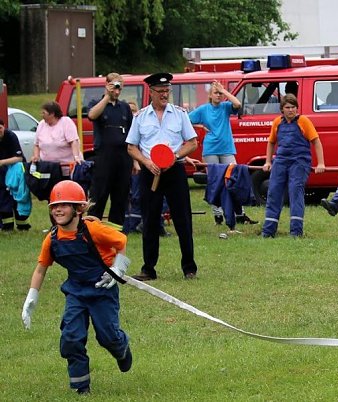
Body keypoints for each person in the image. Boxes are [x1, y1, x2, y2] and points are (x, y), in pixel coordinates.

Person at [20, 180, 133, 395]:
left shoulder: (93, 229)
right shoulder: (52, 239)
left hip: (102, 290)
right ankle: (81, 388)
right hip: (76, 293)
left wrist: (118, 269)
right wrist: (31, 298)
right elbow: (40, 269)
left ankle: (122, 349)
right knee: (71, 338)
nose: (58, 210)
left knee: (108, 337)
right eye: (54, 206)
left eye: (64, 205)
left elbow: (121, 240)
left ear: (79, 208)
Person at [126, 72, 199, 280]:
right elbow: (131, 147)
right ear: (151, 92)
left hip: (174, 170)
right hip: (151, 172)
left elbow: (192, 142)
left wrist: (173, 156)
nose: (165, 95)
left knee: (182, 219)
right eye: (161, 91)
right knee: (149, 219)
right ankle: (148, 268)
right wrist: (147, 162)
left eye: (167, 91)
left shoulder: (179, 114)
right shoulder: (140, 117)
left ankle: (189, 267)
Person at [186, 80, 256, 226]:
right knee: (215, 181)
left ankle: (240, 214)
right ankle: (217, 215)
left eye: (220, 93)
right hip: (211, 149)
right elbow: (185, 120)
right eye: (215, 93)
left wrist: (224, 91)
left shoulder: (225, 107)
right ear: (210, 95)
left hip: (227, 148)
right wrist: (200, 126)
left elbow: (238, 104)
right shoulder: (203, 109)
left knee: (234, 178)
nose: (218, 95)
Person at [261, 94, 326, 238]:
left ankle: (296, 231)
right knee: (273, 192)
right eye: (287, 107)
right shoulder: (277, 122)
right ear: (282, 110)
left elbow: (316, 141)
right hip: (281, 160)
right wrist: (268, 161)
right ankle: (268, 231)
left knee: (295, 191)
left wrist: (321, 163)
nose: (291, 110)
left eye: (293, 107)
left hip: (300, 161)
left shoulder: (304, 121)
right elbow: (271, 142)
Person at [86, 73, 134, 226]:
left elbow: (132, 134)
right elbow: (92, 115)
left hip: (123, 158)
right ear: (106, 85)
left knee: (120, 199)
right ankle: (92, 229)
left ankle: (115, 233)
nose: (117, 91)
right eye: (114, 87)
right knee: (98, 196)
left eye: (120, 87)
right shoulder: (97, 103)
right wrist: (107, 97)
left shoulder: (124, 107)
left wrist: (136, 162)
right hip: (104, 157)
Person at [33, 101, 84, 178]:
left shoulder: (66, 122)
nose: (41, 115)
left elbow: (74, 141)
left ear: (52, 113)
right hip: (48, 169)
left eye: (44, 113)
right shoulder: (41, 124)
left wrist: (76, 157)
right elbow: (36, 145)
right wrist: (36, 156)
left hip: (66, 168)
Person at [0, 118, 31, 230]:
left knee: (19, 197)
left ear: (4, 126)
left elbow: (19, 158)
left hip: (16, 171)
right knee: (3, 197)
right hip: (1, 172)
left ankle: (23, 226)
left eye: (0, 128)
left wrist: (2, 162)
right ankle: (7, 226)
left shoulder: (11, 136)